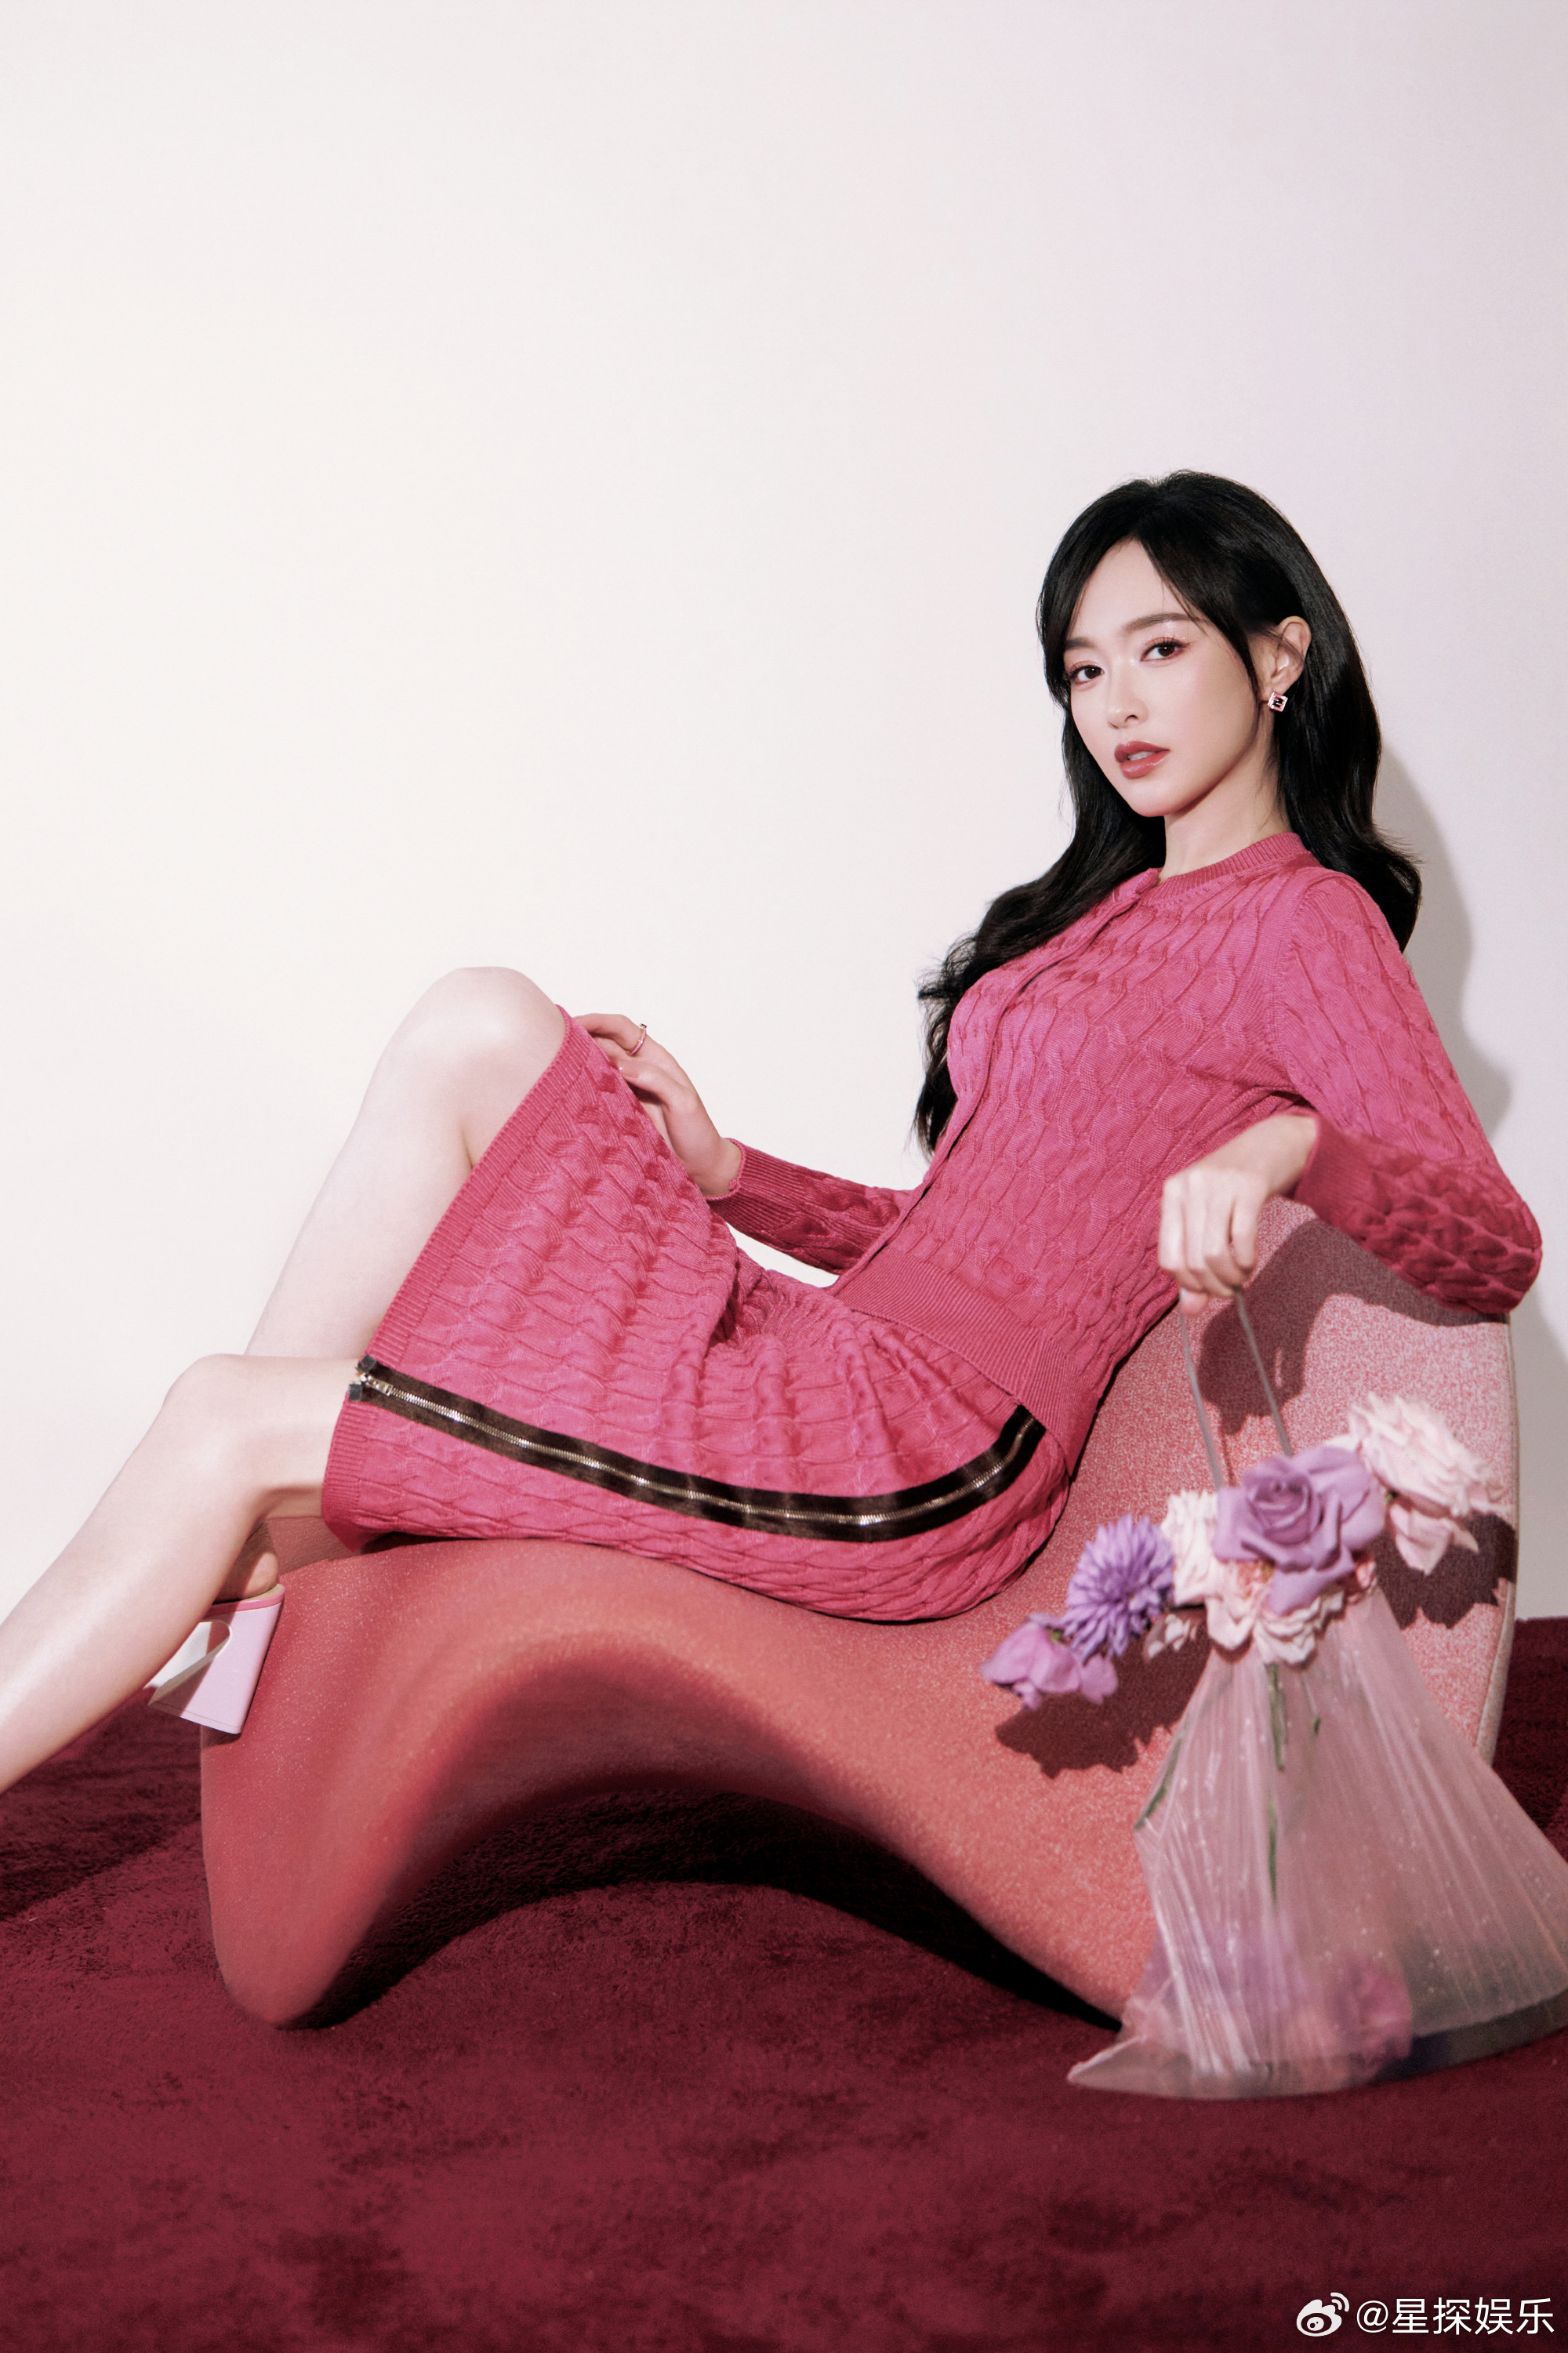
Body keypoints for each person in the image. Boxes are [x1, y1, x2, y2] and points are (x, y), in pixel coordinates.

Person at [0, 471, 1540, 1796]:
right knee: (482, 1020)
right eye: (1083, 669)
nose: (1116, 704)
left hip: (917, 1461)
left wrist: (1291, 1150)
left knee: (223, 1416)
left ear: (1279, 657)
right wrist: (735, 1178)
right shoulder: (1091, 918)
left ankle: (246, 1561)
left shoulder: (1307, 925)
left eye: (1160, 648)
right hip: (831, 1357)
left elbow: (1491, 1240)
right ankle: (252, 1582)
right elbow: (968, 1235)